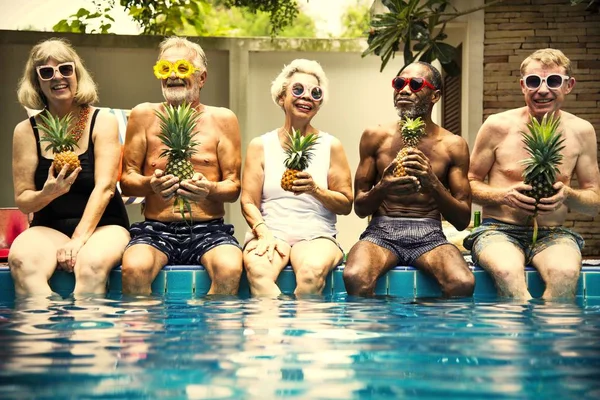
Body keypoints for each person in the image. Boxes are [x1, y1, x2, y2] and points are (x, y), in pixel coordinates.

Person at [463, 48, 600, 300]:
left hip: (554, 232)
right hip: (498, 229)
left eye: (554, 81)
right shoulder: (497, 125)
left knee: (565, 274)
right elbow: (467, 184)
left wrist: (567, 194)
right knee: (506, 272)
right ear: (522, 86)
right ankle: (514, 337)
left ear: (569, 86)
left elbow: (594, 204)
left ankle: (548, 338)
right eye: (534, 81)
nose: (543, 90)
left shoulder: (582, 131)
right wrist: (503, 196)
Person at [120, 37, 242, 295]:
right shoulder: (143, 115)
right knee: (133, 268)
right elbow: (126, 179)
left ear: (202, 77)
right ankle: (152, 334)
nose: (173, 75)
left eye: (183, 68)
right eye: (166, 69)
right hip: (156, 229)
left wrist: (208, 189)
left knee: (230, 269)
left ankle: (207, 333)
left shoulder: (222, 119)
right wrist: (150, 185)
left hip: (209, 229)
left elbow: (233, 187)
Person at [9, 38, 130, 297]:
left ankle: (88, 336)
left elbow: (106, 188)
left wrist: (77, 240)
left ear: (76, 74)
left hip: (103, 226)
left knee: (91, 266)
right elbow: (24, 201)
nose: (58, 77)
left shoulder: (102, 121)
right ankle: (42, 331)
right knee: (21, 263)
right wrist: (48, 193)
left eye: (65, 69)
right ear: (37, 81)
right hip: (48, 226)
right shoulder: (26, 131)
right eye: (46, 72)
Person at [343, 61, 474, 298]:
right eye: (399, 83)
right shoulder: (375, 137)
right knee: (355, 277)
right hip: (381, 232)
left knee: (462, 283)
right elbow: (360, 208)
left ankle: (424, 331)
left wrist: (432, 182)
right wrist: (383, 187)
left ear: (435, 96)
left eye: (415, 84)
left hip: (430, 233)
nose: (404, 90)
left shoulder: (453, 145)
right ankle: (384, 330)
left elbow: (463, 219)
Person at [241, 59, 353, 296]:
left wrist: (316, 190)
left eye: (315, 93)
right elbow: (248, 201)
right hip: (270, 230)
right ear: (282, 97)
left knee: (310, 273)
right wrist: (263, 233)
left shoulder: (331, 145)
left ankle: (307, 332)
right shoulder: (260, 145)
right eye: (298, 90)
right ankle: (272, 331)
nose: (307, 97)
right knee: (259, 272)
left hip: (317, 234)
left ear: (319, 103)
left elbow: (346, 203)